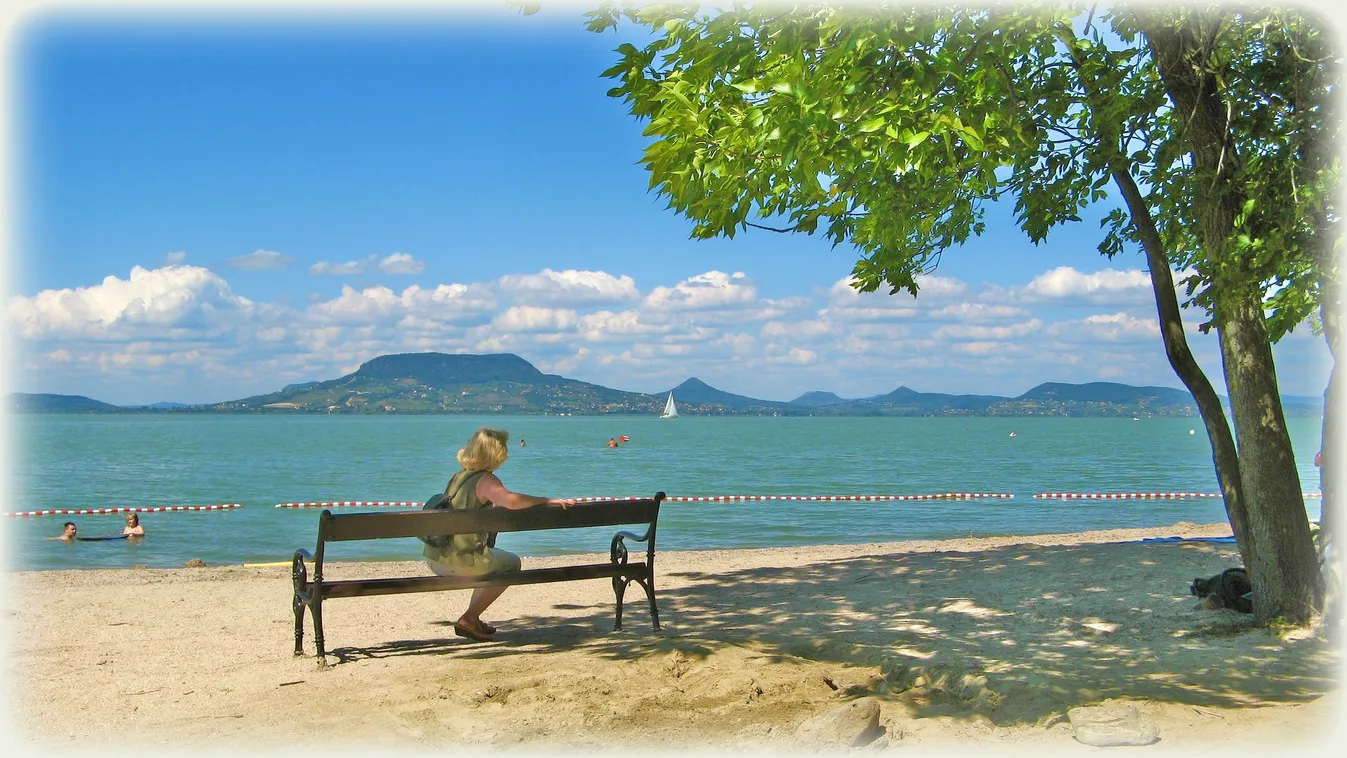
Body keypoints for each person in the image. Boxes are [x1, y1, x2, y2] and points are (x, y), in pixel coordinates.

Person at [426, 427, 576, 642]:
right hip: (462, 562)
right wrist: (545, 500)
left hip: (436, 559)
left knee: (492, 559)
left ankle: (473, 619)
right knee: (511, 564)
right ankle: (470, 618)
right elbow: (511, 501)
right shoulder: (486, 479)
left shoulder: (457, 478)